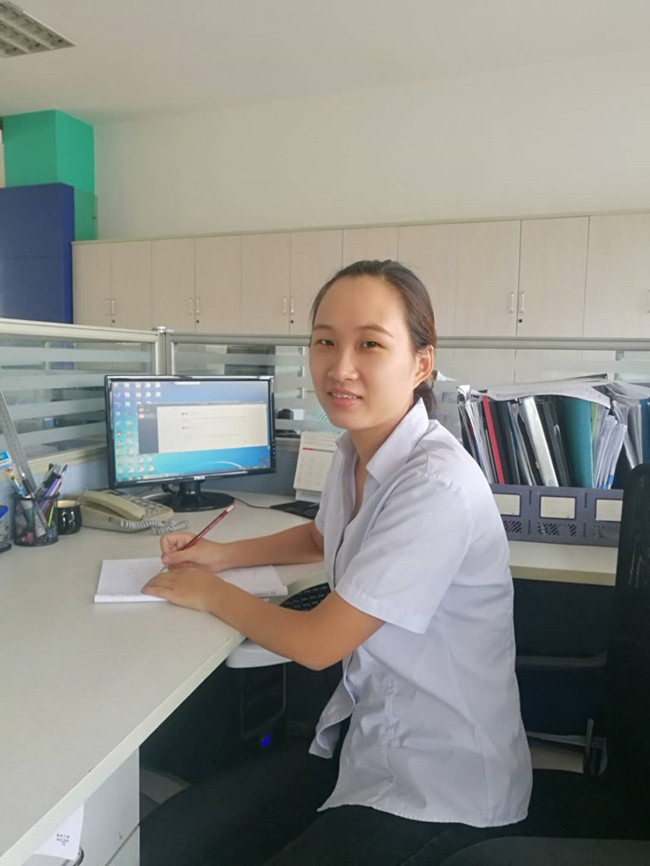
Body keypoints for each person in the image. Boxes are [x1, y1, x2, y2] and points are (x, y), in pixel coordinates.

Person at [140, 260, 532, 865]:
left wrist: (212, 594)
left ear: (421, 363)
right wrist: (219, 557)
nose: (339, 367)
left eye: (370, 344)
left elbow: (318, 644)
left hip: (440, 785)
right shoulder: (356, 449)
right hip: (370, 744)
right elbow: (323, 536)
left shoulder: (435, 485)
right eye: (324, 342)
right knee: (169, 842)